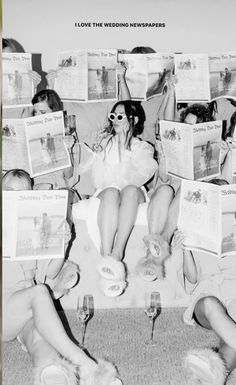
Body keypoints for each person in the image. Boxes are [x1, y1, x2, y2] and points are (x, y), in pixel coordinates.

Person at [2, 169, 122, 385]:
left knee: (46, 348)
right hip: (5, 310)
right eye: (9, 192)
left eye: (22, 195)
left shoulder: (35, 225)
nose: (15, 199)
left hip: (24, 315)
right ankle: (85, 365)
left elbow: (51, 273)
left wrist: (62, 243)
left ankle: (56, 377)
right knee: (39, 293)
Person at [77, 100, 157, 296]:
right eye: (112, 116)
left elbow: (135, 178)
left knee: (128, 189)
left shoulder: (143, 147)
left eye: (120, 116)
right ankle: (107, 258)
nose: (115, 120)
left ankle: (117, 252)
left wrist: (125, 149)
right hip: (108, 192)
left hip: (132, 192)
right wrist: (98, 155)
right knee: (112, 191)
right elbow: (98, 180)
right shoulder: (104, 143)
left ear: (133, 120)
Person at [137, 104, 217, 281]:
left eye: (194, 127)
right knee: (165, 189)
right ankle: (156, 247)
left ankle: (159, 247)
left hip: (188, 196)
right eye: (186, 126)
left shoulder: (210, 152)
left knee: (188, 187)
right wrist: (163, 156)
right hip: (166, 195)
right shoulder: (175, 146)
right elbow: (164, 180)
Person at [171, 180, 236, 385]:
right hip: (207, 299)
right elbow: (192, 278)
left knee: (230, 339)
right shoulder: (193, 229)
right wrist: (185, 248)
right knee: (209, 304)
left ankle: (211, 379)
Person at [31, 89, 75, 189]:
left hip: (57, 188)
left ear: (54, 112)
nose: (37, 116)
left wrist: (68, 150)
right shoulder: (29, 134)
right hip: (34, 189)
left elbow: (68, 175)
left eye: (42, 112)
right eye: (35, 112)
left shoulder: (65, 135)